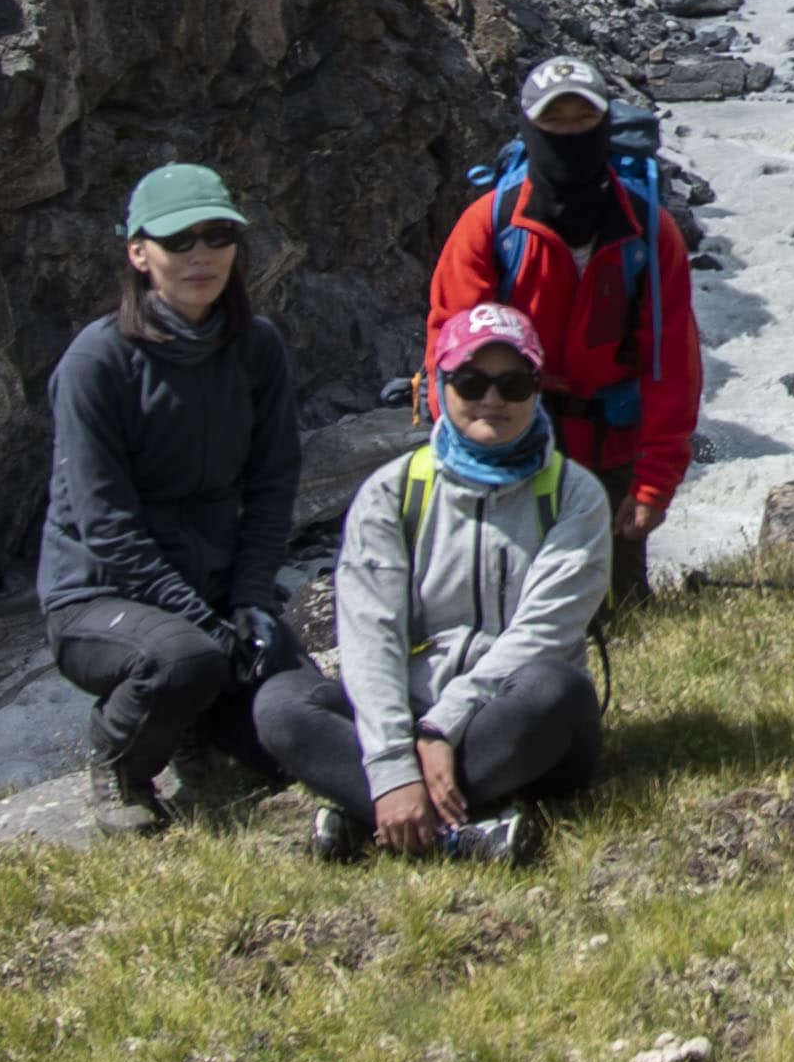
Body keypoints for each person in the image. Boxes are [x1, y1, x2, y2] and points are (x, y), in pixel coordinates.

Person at [255, 299, 614, 866]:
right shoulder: (390, 493)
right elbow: (371, 637)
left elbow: (543, 634)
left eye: (513, 383)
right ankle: (457, 830)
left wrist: (441, 727)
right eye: (471, 381)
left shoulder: (575, 495)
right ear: (440, 385)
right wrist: (398, 755)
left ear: (537, 389)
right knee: (280, 703)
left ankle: (370, 813)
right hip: (410, 712)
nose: (492, 398)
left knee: (555, 688)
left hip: (510, 718)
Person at [36, 160, 305, 831]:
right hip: (100, 598)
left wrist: (248, 604)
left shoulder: (257, 347)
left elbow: (274, 487)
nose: (201, 255)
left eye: (217, 236)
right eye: (179, 241)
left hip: (214, 593)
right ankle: (119, 768)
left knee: (299, 722)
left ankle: (202, 726)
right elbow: (107, 529)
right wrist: (208, 625)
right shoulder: (95, 364)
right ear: (138, 252)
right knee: (184, 658)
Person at [425, 56, 701, 576]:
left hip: (611, 452)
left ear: (605, 127)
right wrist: (469, 462)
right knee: (505, 603)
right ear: (529, 127)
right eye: (554, 122)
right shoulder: (488, 227)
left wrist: (653, 482)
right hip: (505, 442)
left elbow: (671, 365)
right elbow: (450, 351)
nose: (570, 134)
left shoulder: (649, 232)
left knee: (616, 614)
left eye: (584, 120)